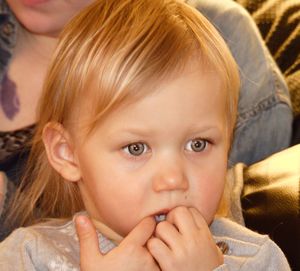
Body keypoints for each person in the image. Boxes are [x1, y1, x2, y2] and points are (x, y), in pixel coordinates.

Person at [0, 1, 290, 270]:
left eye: (198, 144)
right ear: (68, 153)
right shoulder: (26, 257)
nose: (173, 179)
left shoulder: (257, 259)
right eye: (136, 148)